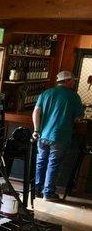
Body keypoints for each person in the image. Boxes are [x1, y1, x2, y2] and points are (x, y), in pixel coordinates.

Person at [32, 70, 84, 201]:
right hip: (60, 136)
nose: (73, 83)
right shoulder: (73, 96)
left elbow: (36, 112)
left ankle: (36, 190)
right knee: (53, 164)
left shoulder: (46, 93)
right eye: (72, 80)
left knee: (41, 162)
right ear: (67, 81)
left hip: (43, 134)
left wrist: (36, 130)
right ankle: (48, 193)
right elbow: (79, 117)